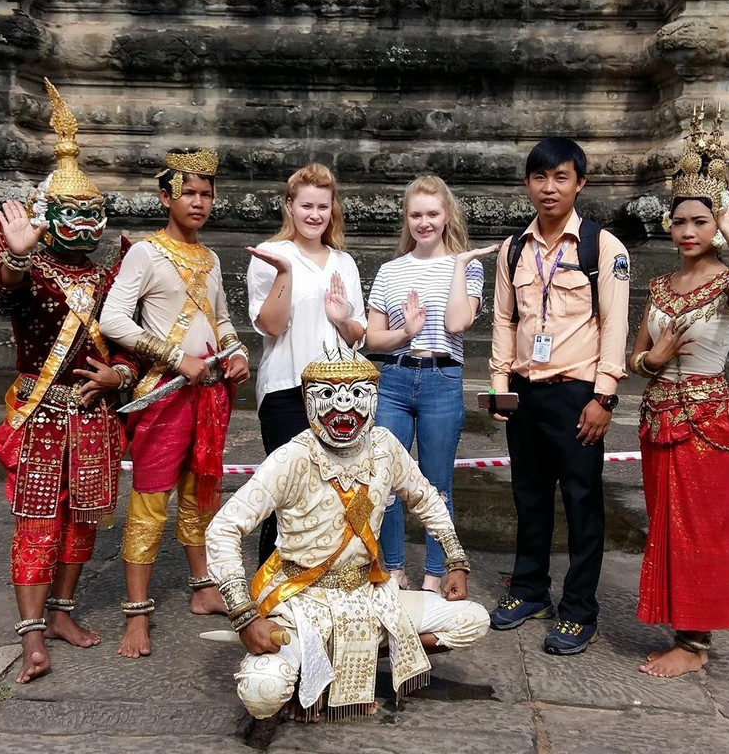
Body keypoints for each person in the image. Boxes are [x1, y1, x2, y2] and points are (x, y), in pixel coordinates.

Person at [205, 349, 490, 726]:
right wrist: (244, 617)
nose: (344, 407)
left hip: (366, 594)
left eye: (357, 394)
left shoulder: (385, 447)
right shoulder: (292, 458)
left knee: (473, 620)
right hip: (298, 598)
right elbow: (223, 528)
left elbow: (427, 499)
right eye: (329, 395)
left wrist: (455, 560)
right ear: (308, 401)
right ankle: (308, 666)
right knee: (263, 691)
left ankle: (343, 664)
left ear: (373, 396)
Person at [0, 79, 138, 684]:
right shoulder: (31, 265)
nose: (85, 224)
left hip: (96, 414)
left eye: (92, 213)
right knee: (37, 521)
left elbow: (135, 344)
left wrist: (122, 373)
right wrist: (19, 256)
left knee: (83, 520)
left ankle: (63, 611)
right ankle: (30, 637)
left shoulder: (113, 274)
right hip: (43, 413)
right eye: (71, 213)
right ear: (45, 218)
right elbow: (7, 290)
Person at [99, 147, 251, 658]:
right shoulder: (146, 253)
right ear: (166, 197)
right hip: (164, 395)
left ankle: (203, 588)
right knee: (149, 503)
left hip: (209, 396)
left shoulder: (209, 258)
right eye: (188, 192)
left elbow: (223, 321)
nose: (199, 201)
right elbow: (113, 320)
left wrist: (238, 352)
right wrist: (172, 356)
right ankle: (137, 615)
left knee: (200, 494)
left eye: (206, 194)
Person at [631, 104, 729, 677]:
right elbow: (635, 356)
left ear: (719, 225)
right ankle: (681, 629)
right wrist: (650, 359)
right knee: (663, 523)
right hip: (659, 416)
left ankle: (695, 643)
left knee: (703, 527)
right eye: (680, 222)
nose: (687, 232)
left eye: (700, 223)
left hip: (707, 419)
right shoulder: (660, 284)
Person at [487, 137, 630, 655]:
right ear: (528, 183)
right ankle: (529, 591)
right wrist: (501, 386)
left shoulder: (603, 248)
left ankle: (578, 610)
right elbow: (505, 320)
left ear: (579, 183)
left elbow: (614, 325)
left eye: (561, 177)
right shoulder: (513, 248)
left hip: (577, 394)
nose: (549, 188)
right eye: (540, 178)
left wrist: (605, 397)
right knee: (528, 497)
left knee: (583, 501)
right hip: (525, 393)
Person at [365, 175, 495, 593]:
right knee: (384, 480)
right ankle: (395, 569)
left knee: (435, 483)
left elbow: (458, 323)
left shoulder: (467, 265)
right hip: (396, 377)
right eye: (416, 214)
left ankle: (437, 574)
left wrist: (457, 265)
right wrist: (406, 332)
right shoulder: (390, 271)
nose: (424, 222)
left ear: (446, 216)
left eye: (432, 214)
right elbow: (372, 337)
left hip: (441, 377)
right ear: (407, 217)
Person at [246, 163, 367, 566]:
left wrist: (341, 317)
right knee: (288, 490)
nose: (314, 215)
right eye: (306, 206)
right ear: (289, 206)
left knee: (338, 491)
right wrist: (285, 273)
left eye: (323, 206)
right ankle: (272, 588)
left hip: (340, 393)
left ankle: (329, 582)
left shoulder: (344, 262)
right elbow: (271, 325)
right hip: (286, 387)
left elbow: (356, 335)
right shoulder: (270, 254)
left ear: (333, 210)